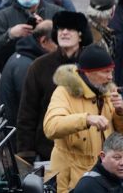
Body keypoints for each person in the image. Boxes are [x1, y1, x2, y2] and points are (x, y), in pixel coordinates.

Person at [17, 11, 93, 163]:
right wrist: (25, 155)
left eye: (70, 29)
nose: (64, 32)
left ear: (81, 35)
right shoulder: (39, 66)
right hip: (48, 152)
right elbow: (27, 114)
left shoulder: (93, 64)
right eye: (60, 28)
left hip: (88, 150)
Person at [44, 45, 123, 191]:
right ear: (88, 73)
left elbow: (118, 138)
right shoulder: (64, 92)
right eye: (106, 71)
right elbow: (50, 127)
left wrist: (119, 113)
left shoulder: (107, 90)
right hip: (71, 183)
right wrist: (86, 119)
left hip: (104, 181)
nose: (111, 77)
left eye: (111, 71)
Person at [0, 20, 56, 128]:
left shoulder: (26, 57)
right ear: (44, 41)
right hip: (14, 137)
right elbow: (32, 108)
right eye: (57, 42)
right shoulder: (27, 66)